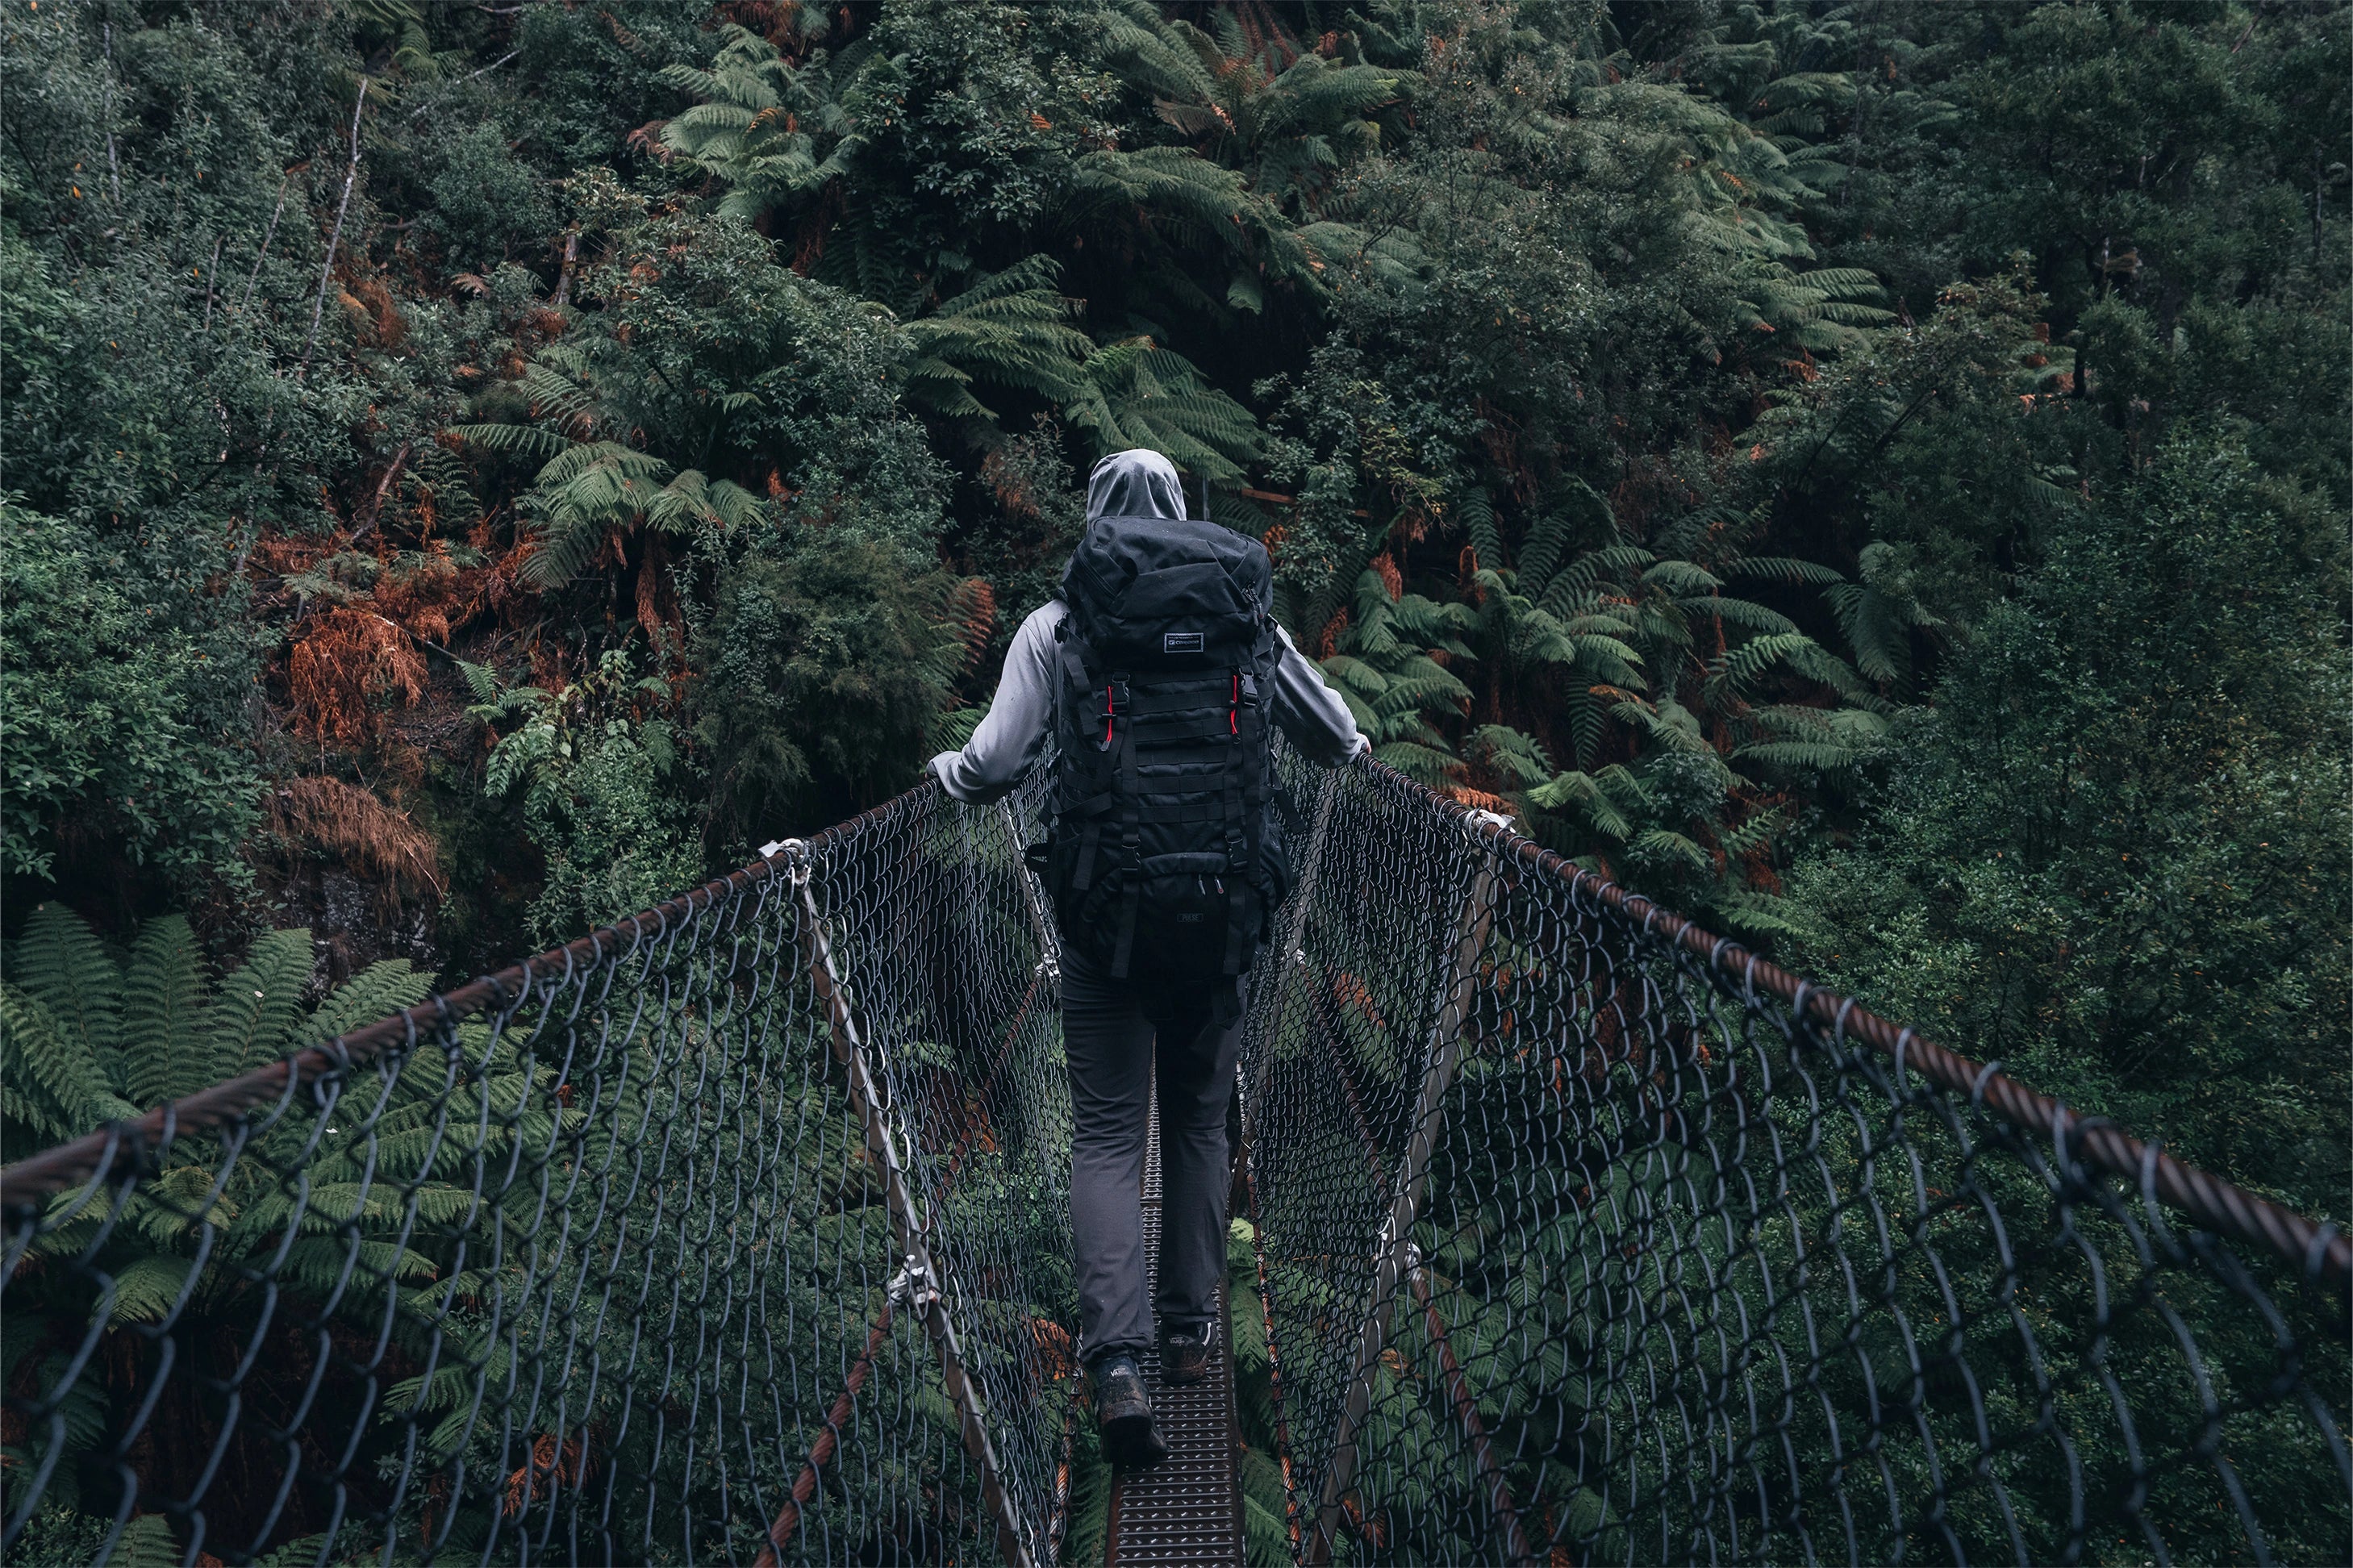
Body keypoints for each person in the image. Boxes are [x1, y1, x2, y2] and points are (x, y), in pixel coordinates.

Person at [928, 448, 1366, 1466]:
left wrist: (947, 772)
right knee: (1202, 1124)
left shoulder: (1061, 624)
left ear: (1092, 522)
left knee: (1110, 1137)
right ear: (1182, 512)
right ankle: (1187, 1334)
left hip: (1103, 927)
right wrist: (1347, 753)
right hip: (1219, 927)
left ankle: (1115, 1361)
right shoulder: (1239, 616)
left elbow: (995, 765)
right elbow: (1334, 732)